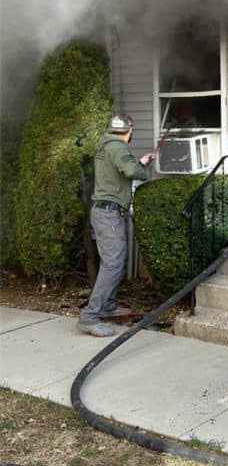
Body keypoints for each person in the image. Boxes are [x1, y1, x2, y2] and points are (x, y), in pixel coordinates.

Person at [78, 114, 155, 337]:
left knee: (113, 261)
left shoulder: (106, 146)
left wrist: (138, 161)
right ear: (129, 131)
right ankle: (90, 317)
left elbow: (119, 170)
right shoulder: (119, 148)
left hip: (104, 212)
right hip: (109, 213)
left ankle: (109, 306)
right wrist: (142, 169)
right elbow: (132, 172)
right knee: (113, 264)